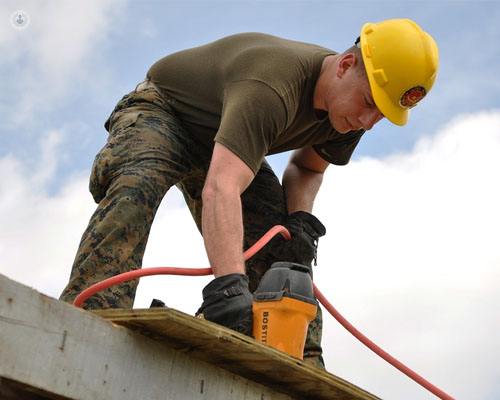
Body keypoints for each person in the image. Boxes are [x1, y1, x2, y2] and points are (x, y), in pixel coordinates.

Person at [59, 19, 438, 368]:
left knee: (284, 245)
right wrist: (228, 287)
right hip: (166, 112)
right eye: (370, 103)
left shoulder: (351, 115)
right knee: (137, 187)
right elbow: (221, 187)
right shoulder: (272, 87)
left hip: (226, 142)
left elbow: (306, 168)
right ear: (345, 67)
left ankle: (300, 356)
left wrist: (299, 219)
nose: (367, 122)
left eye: (382, 115)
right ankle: (89, 314)